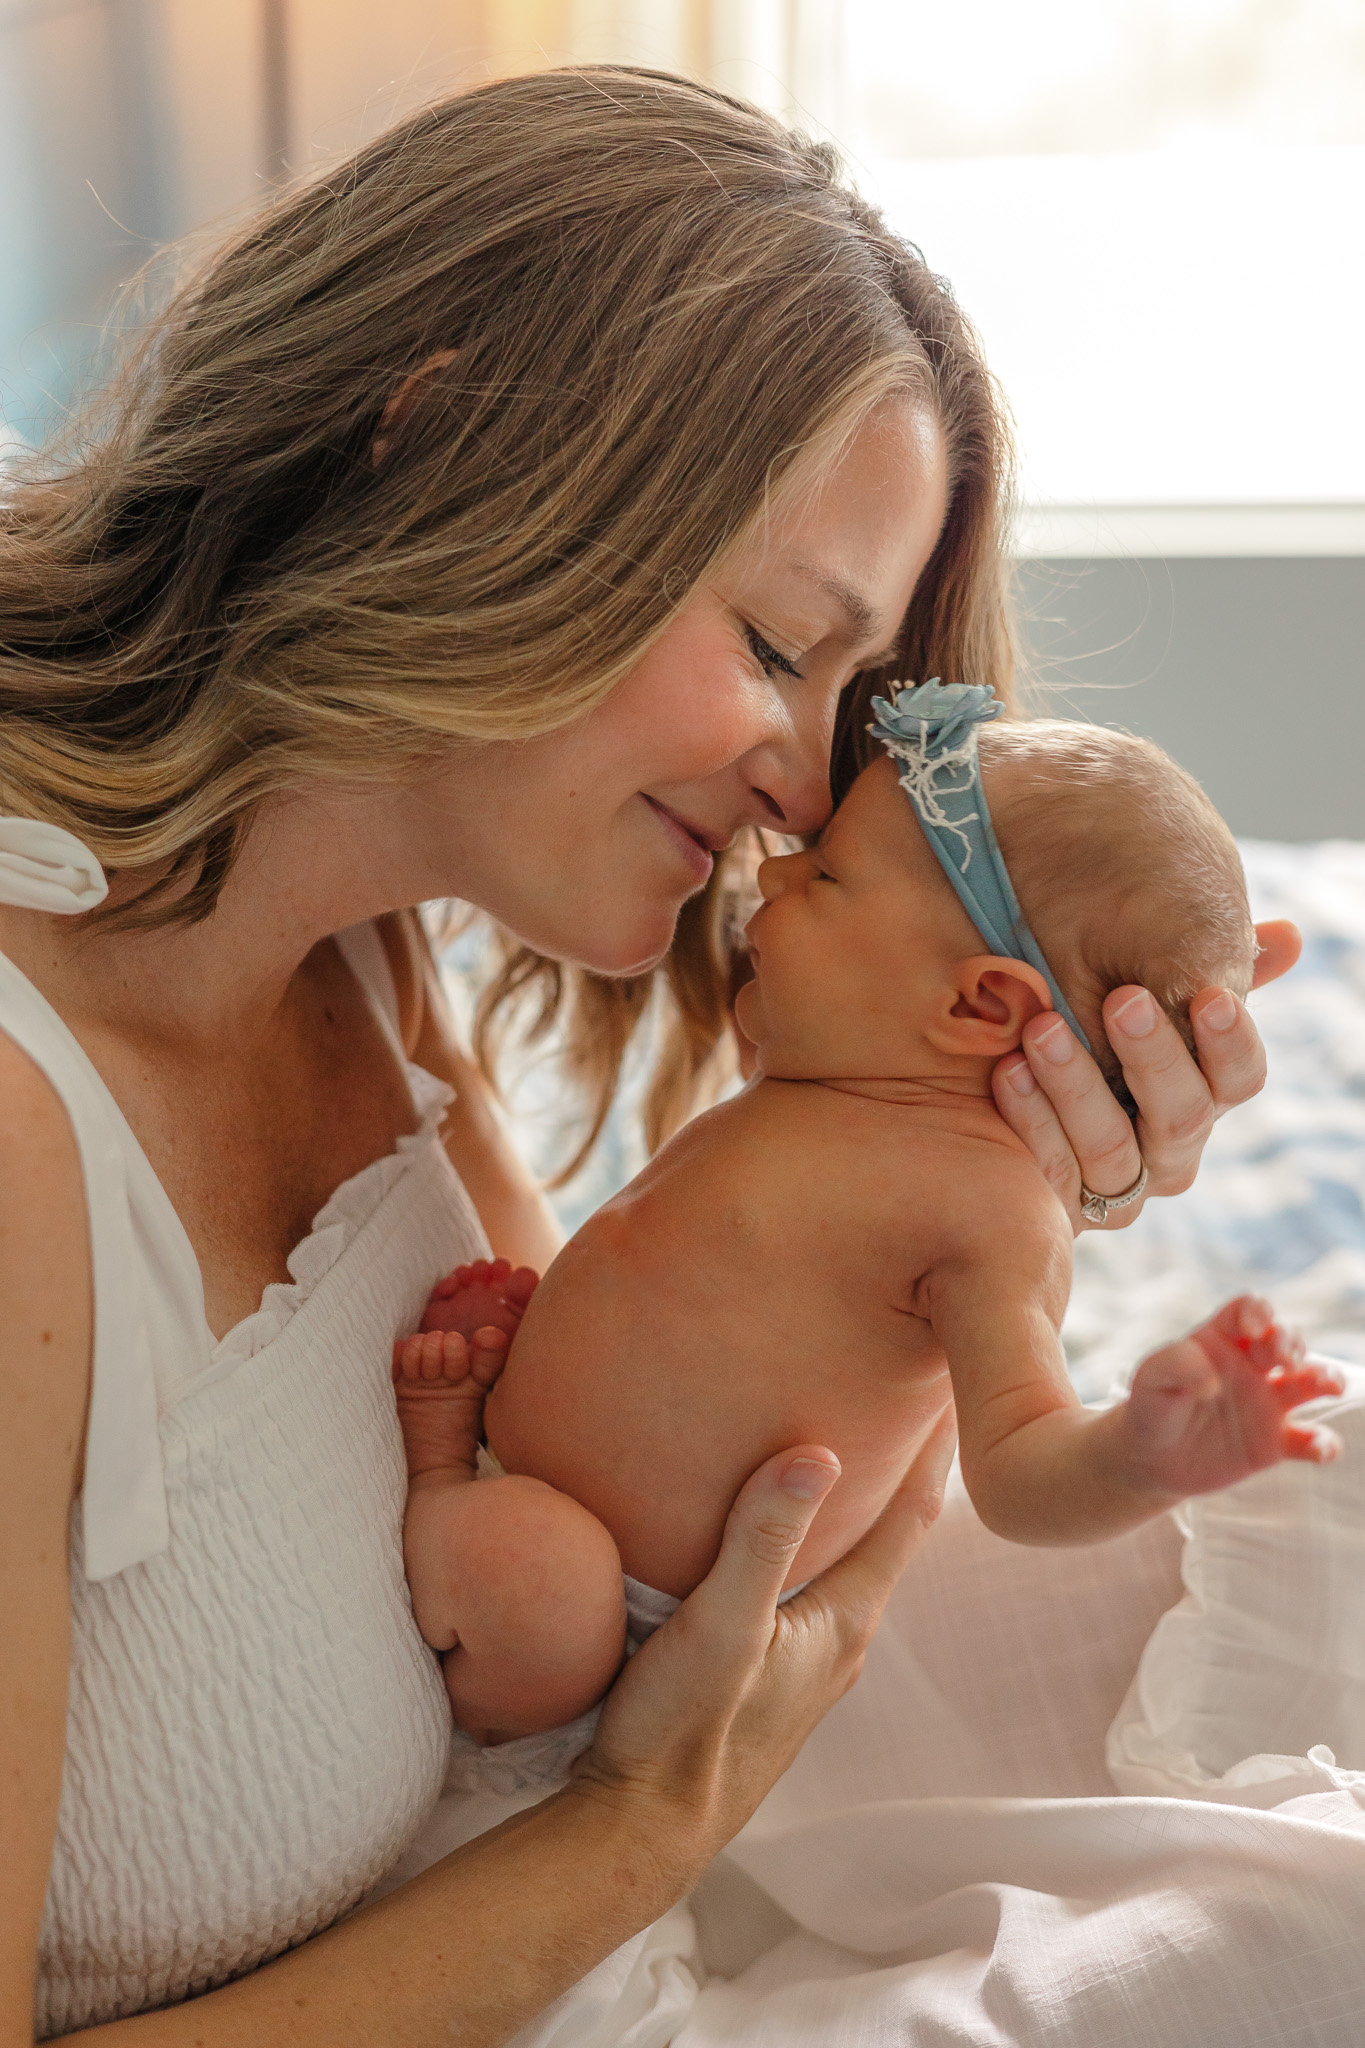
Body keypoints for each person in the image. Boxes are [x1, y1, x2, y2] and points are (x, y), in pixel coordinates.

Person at [0, 67, 1290, 2046]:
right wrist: (638, 1825)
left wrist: (1024, 1172)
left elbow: (698, 1417)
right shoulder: (29, 1132)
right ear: (442, 450)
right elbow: (652, 1743)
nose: (797, 790)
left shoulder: (365, 949)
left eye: (851, 698)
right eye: (779, 647)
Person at [389, 702, 1336, 1751]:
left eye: (827, 877)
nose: (770, 876)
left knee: (538, 1578)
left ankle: (446, 1520)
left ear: (979, 1006)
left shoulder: (989, 1215)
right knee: (526, 1537)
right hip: (534, 1461)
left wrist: (1141, 1455)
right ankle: (479, 1449)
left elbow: (1020, 1465)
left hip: (621, 1603)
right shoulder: (826, 1067)